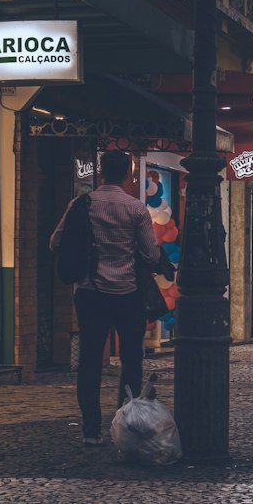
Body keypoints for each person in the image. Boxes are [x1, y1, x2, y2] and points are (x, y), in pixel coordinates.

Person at [50, 148, 162, 446]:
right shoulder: (136, 209)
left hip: (90, 294)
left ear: (101, 172)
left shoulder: (81, 204)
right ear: (129, 174)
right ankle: (124, 421)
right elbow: (151, 255)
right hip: (128, 295)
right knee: (131, 359)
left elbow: (55, 241)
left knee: (89, 360)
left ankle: (90, 430)